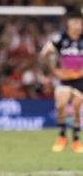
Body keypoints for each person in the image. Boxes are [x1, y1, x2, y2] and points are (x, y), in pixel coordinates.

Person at [40, 8, 83, 153]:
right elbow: (45, 53)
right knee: (60, 106)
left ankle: (76, 139)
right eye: (75, 22)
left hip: (80, 79)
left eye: (80, 22)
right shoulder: (60, 39)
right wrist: (52, 70)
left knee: (77, 108)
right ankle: (62, 136)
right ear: (68, 23)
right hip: (64, 79)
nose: (78, 25)